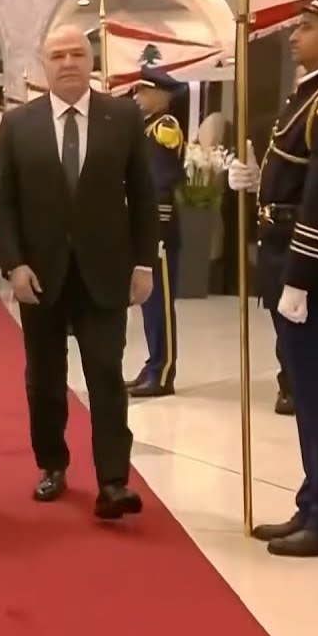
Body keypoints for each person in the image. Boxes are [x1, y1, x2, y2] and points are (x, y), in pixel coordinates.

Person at [227, 0, 318, 557]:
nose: (294, 35)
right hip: (289, 258)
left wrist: (300, 277)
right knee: (308, 396)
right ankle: (314, 503)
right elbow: (293, 177)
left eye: (307, 26)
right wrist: (250, 182)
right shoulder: (306, 95)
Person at [0, 24, 159, 518]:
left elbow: (145, 197)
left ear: (92, 62)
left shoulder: (122, 116)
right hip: (40, 275)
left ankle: (113, 481)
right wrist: (14, 264)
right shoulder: (18, 124)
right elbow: (5, 203)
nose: (68, 62)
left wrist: (144, 262)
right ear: (44, 65)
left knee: (106, 373)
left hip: (105, 272)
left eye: (78, 54)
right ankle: (53, 465)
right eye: (58, 55)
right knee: (44, 378)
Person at [127, 67, 187, 398]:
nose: (138, 97)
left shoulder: (165, 128)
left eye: (144, 92)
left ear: (162, 95)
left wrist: (155, 228)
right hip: (147, 227)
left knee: (160, 302)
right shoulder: (146, 128)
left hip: (160, 227)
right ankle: (153, 364)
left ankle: (162, 372)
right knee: (149, 303)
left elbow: (162, 182)